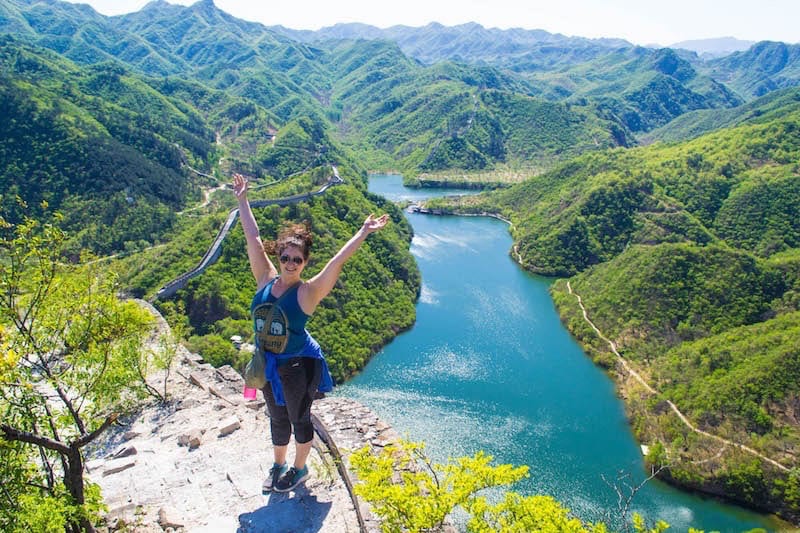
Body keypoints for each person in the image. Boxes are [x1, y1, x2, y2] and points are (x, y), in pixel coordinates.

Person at [232, 172, 389, 493]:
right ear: (279, 256)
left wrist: (363, 232)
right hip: (267, 364)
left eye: (297, 259)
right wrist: (242, 199)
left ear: (305, 262)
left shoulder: (308, 292)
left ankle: (299, 470)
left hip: (297, 366)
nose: (290, 263)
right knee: (276, 418)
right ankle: (278, 465)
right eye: (285, 257)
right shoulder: (265, 279)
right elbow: (253, 237)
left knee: (298, 419)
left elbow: (337, 262)